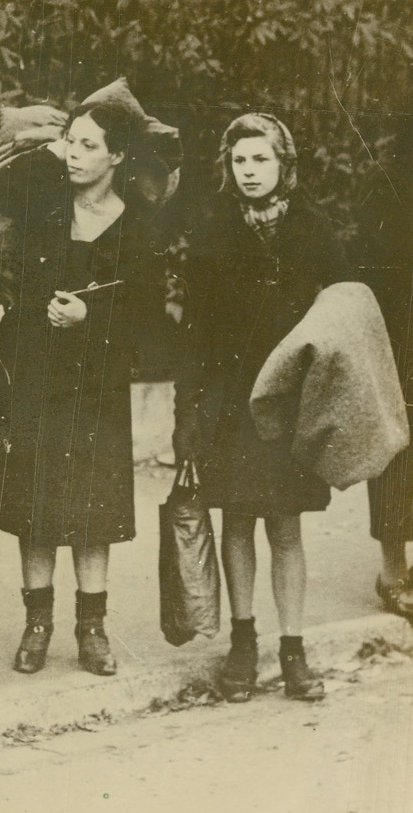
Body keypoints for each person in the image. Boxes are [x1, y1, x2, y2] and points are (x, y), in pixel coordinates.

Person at [0, 96, 169, 678]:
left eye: (89, 145)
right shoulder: (41, 203)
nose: (75, 155)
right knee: (35, 505)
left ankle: (92, 627)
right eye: (71, 142)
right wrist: (50, 149)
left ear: (118, 157)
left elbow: (147, 316)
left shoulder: (136, 226)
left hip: (96, 385)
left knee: (92, 511)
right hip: (35, 373)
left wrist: (92, 321)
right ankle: (38, 624)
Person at [174, 113, 350, 702]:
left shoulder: (315, 232)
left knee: (287, 525)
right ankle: (243, 645)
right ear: (228, 166)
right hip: (229, 404)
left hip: (292, 404)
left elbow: (339, 325)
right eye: (240, 161)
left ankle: (293, 650)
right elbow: (193, 336)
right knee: (238, 520)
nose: (249, 172)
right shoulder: (212, 231)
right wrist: (186, 418)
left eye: (261, 160)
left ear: (284, 165)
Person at [354, 117, 413, 621]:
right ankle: (394, 571)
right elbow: (369, 267)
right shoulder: (388, 180)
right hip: (402, 328)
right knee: (397, 447)